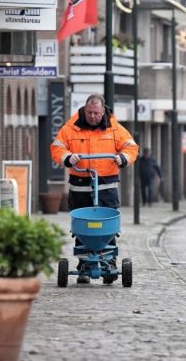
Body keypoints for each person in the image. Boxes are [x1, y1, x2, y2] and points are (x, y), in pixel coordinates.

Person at [51, 93, 139, 283]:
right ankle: (83, 266)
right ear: (84, 109)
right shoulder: (70, 128)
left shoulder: (115, 129)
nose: (92, 117)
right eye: (90, 113)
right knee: (82, 226)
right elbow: (57, 147)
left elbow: (131, 148)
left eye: (96, 113)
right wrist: (67, 157)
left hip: (107, 185)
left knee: (108, 226)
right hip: (80, 185)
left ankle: (111, 262)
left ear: (103, 111)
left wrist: (123, 158)